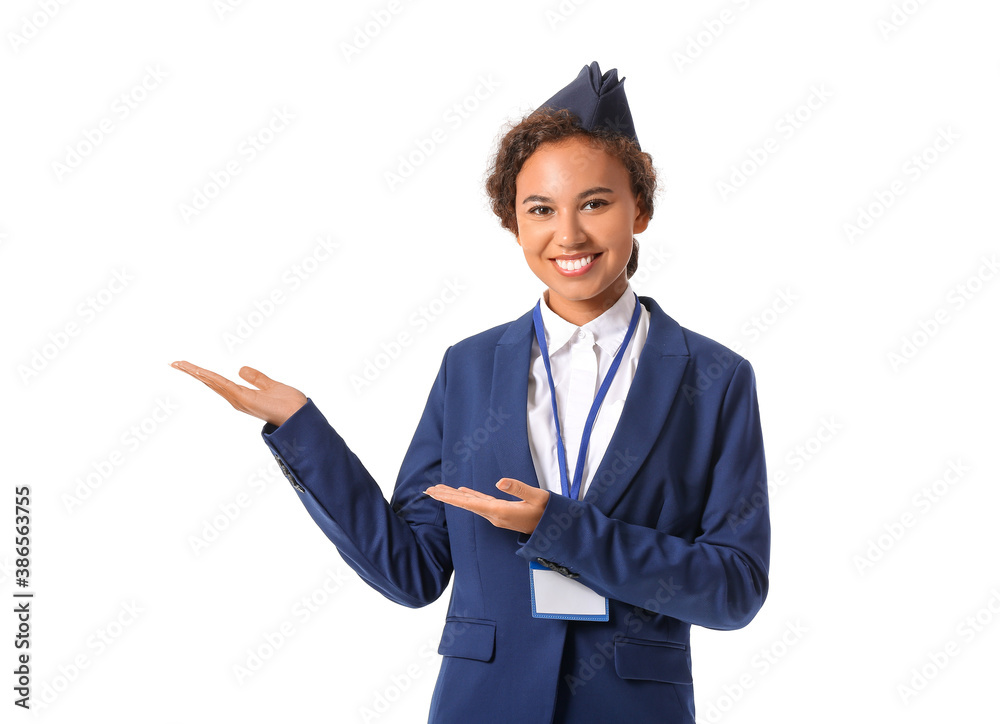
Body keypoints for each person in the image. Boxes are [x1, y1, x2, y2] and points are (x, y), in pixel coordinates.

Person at [171, 61, 770, 724]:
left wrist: (561, 529)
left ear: (642, 210)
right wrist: (302, 431)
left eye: (594, 203)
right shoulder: (470, 368)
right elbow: (413, 571)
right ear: (513, 223)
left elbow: (734, 589)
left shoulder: (714, 377)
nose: (567, 235)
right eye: (539, 209)